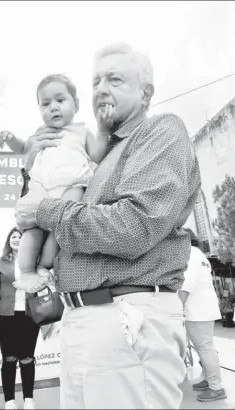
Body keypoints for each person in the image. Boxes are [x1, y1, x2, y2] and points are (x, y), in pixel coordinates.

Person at [15, 42, 201, 409]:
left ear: (146, 93)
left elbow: (135, 227)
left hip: (127, 318)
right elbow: (34, 216)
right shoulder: (92, 159)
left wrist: (46, 208)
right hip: (82, 319)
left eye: (115, 79)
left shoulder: (160, 131)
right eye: (96, 81)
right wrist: (32, 169)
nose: (101, 88)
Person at [0, 74, 114, 293]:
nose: (53, 108)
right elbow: (23, 148)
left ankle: (44, 265)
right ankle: (28, 272)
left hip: (72, 185)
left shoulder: (82, 131)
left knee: (62, 223)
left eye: (60, 100)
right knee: (32, 230)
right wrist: (10, 138)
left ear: (76, 104)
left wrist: (104, 128)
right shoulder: (39, 134)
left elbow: (98, 154)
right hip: (42, 187)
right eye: (46, 104)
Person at [0, 227, 40, 410]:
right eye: (13, 237)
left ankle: (29, 399)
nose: (17, 239)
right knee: (9, 358)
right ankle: (9, 400)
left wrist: (30, 283)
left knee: (27, 358)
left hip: (30, 315)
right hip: (5, 316)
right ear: (8, 241)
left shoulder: (35, 262)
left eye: (20, 237)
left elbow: (46, 282)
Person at [178, 228, 227, 402]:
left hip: (197, 310)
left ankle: (216, 387)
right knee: (205, 347)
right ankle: (208, 379)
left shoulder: (189, 255)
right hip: (204, 308)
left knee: (205, 348)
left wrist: (176, 309)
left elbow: (186, 284)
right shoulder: (199, 254)